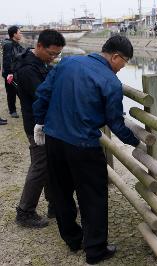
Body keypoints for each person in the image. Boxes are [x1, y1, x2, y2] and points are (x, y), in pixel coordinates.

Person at [32, 35, 140, 264]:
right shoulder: (110, 82)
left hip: (54, 139)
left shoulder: (68, 63)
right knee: (93, 196)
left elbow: (43, 94)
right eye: (125, 62)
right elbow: (115, 122)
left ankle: (72, 239)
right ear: (116, 57)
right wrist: (137, 142)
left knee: (61, 192)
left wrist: (40, 122)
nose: (123, 67)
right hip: (84, 145)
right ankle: (96, 249)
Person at [14, 29, 65, 228]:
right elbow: (43, 96)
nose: (53, 58)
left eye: (57, 55)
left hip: (47, 122)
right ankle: (25, 212)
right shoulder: (28, 69)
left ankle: (54, 204)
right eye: (51, 53)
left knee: (50, 164)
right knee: (40, 166)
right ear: (39, 46)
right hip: (37, 125)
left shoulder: (39, 62)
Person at [2, 25, 24, 118]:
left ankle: (23, 108)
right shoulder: (8, 45)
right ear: (14, 34)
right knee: (11, 92)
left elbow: (23, 53)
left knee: (21, 91)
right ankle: (12, 111)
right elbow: (7, 60)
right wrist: (9, 74)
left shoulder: (17, 44)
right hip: (10, 73)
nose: (21, 34)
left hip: (17, 72)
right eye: (19, 32)